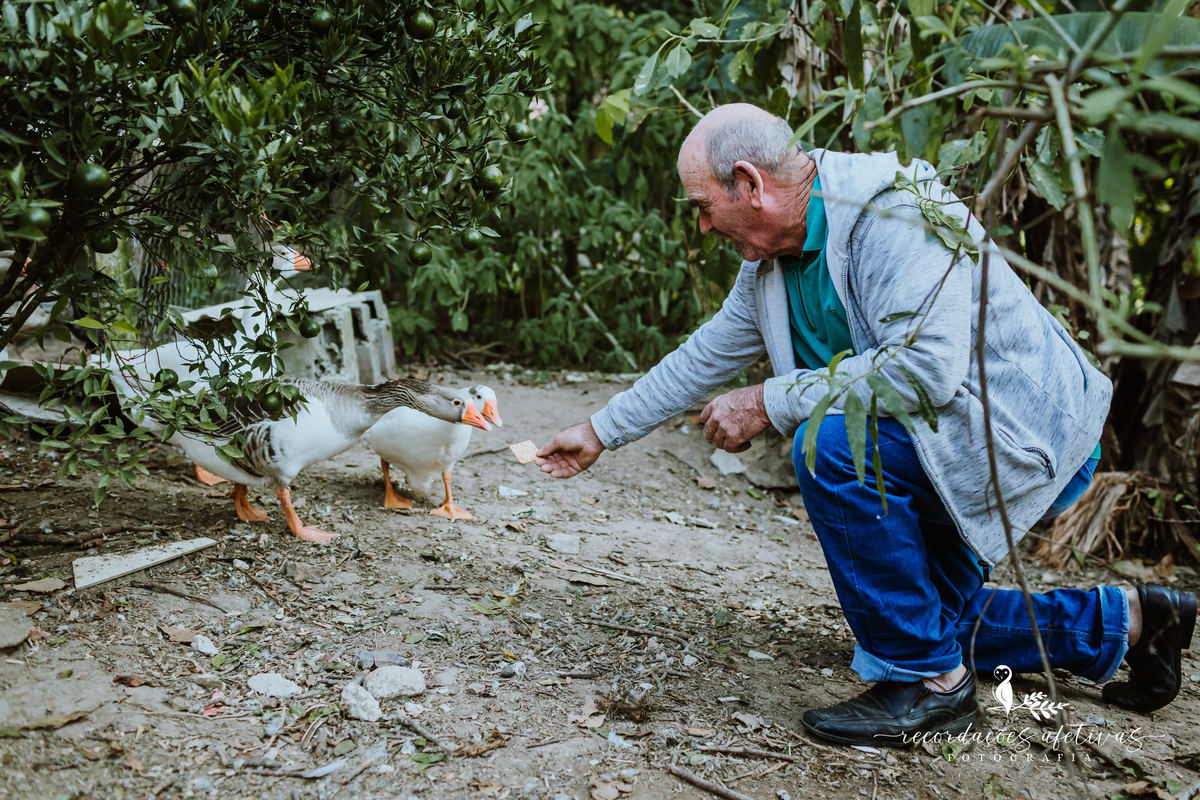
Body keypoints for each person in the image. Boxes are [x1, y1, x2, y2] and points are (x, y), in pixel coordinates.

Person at [535, 103, 1197, 746]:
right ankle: (1132, 622)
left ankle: (931, 686)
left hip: (1013, 435)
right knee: (921, 620)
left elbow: (925, 371)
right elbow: (711, 351)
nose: (704, 227)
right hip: (931, 442)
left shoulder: (890, 211)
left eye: (704, 206)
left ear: (749, 183)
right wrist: (601, 429)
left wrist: (771, 399)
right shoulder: (772, 262)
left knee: (827, 445)